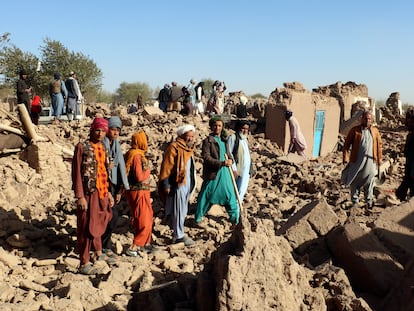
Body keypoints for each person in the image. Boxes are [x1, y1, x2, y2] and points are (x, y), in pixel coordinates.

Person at [71, 117, 115, 274]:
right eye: (98, 130)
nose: (100, 134)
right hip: (88, 193)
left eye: (103, 131)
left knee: (97, 222)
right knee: (85, 226)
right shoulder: (82, 147)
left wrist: (108, 192)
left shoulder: (103, 147)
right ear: (92, 130)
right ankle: (84, 262)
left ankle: (97, 253)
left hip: (101, 191)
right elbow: (76, 172)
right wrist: (80, 196)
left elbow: (103, 171)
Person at [195, 116, 240, 226]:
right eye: (215, 125)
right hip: (213, 173)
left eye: (219, 125)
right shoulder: (208, 141)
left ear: (222, 127)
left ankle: (236, 219)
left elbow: (229, 155)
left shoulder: (224, 141)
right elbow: (206, 157)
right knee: (206, 195)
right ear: (211, 127)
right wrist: (221, 163)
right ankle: (198, 219)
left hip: (225, 173)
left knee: (230, 195)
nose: (217, 128)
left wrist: (230, 161)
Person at [158, 124, 196, 246]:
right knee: (178, 209)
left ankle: (179, 231)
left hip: (187, 182)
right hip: (178, 183)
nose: (190, 139)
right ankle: (178, 235)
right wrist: (166, 185)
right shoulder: (174, 147)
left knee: (183, 209)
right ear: (182, 135)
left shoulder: (188, 149)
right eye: (188, 136)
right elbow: (166, 167)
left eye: (192, 136)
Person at [341, 110, 383, 208]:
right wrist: (345, 157)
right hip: (356, 161)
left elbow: (379, 145)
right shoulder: (355, 131)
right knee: (355, 181)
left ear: (371, 120)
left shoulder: (375, 131)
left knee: (369, 181)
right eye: (365, 118)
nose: (367, 120)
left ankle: (369, 201)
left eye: (369, 119)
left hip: (370, 161)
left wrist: (380, 159)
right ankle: (355, 202)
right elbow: (346, 145)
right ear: (361, 119)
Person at [101, 116, 130, 255]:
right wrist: (107, 166)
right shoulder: (102, 144)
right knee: (103, 216)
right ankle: (100, 245)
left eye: (118, 130)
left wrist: (119, 190)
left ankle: (106, 243)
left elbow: (120, 169)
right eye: (113, 129)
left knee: (113, 217)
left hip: (114, 186)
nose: (116, 133)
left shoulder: (116, 146)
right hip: (103, 185)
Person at [124, 130, 154, 256]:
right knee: (144, 220)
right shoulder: (136, 156)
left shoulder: (136, 154)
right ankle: (134, 246)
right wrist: (148, 173)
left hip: (141, 192)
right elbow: (139, 176)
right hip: (139, 191)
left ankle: (145, 244)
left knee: (146, 217)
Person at [228, 120, 252, 202]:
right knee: (237, 191)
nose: (245, 131)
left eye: (247, 129)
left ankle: (237, 210)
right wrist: (234, 169)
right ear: (238, 128)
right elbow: (229, 154)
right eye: (243, 128)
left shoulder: (245, 139)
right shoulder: (233, 138)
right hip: (238, 171)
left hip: (246, 171)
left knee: (242, 190)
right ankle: (235, 211)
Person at [396, 108, 414, 201]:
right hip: (409, 170)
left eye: (412, 122)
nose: (410, 124)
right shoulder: (410, 135)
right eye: (409, 122)